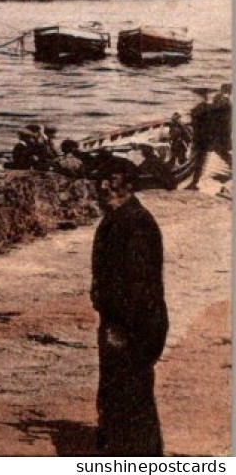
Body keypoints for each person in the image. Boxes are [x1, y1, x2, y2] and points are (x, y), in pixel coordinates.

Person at [90, 160, 169, 455]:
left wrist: (121, 327)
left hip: (133, 324)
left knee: (131, 395)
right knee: (118, 393)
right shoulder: (120, 217)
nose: (104, 186)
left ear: (130, 185)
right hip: (120, 321)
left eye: (111, 180)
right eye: (101, 180)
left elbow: (139, 284)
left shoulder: (134, 222)